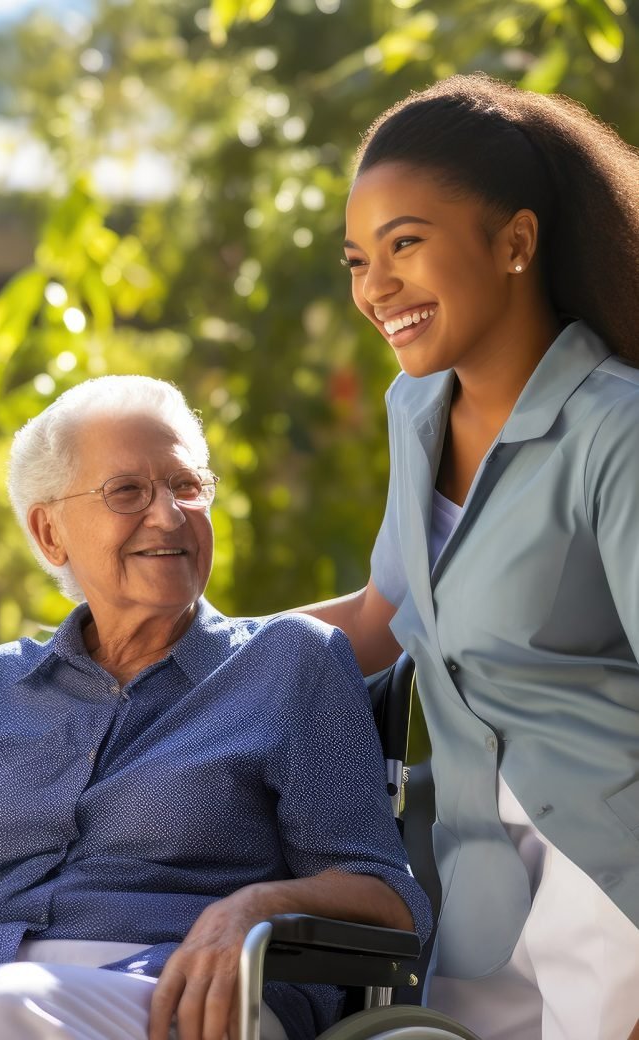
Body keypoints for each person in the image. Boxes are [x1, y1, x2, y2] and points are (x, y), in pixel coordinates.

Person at [0, 375, 430, 1040]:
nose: (169, 514)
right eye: (129, 492)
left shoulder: (290, 663)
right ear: (51, 533)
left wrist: (253, 908)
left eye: (186, 486)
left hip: (174, 995)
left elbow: (390, 899)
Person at [299, 73, 639, 1040]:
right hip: (476, 889)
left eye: (406, 244)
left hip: (615, 878)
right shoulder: (415, 413)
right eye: (358, 259)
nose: (376, 287)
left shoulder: (617, 431)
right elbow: (380, 617)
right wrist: (176, 650)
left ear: (515, 243)